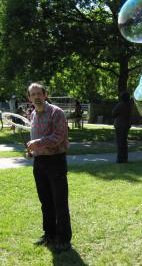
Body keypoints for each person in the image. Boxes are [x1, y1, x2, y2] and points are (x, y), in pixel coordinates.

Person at [26, 83, 72, 253]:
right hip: (39, 163)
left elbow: (58, 137)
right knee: (45, 201)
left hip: (56, 161)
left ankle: (63, 239)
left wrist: (37, 143)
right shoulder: (33, 114)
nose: (36, 96)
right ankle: (49, 234)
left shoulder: (56, 112)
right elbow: (35, 140)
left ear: (45, 95)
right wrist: (32, 151)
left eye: (39, 93)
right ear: (29, 98)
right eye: (33, 94)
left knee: (59, 202)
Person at [112, 92, 132, 163]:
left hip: (120, 125)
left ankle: (120, 158)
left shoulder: (120, 105)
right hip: (126, 125)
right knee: (124, 142)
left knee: (120, 142)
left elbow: (113, 113)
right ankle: (125, 158)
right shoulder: (129, 105)